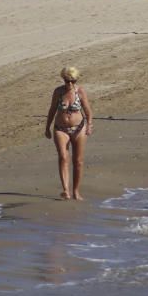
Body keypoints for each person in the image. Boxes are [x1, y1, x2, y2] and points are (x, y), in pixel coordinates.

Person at [45, 66, 93, 200]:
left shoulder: (80, 91)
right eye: (67, 81)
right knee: (63, 157)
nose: (70, 84)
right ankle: (66, 190)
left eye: (72, 81)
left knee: (78, 161)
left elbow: (88, 111)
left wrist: (89, 125)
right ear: (63, 79)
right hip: (61, 128)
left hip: (79, 128)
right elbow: (52, 110)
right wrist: (47, 127)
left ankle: (76, 191)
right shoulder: (58, 92)